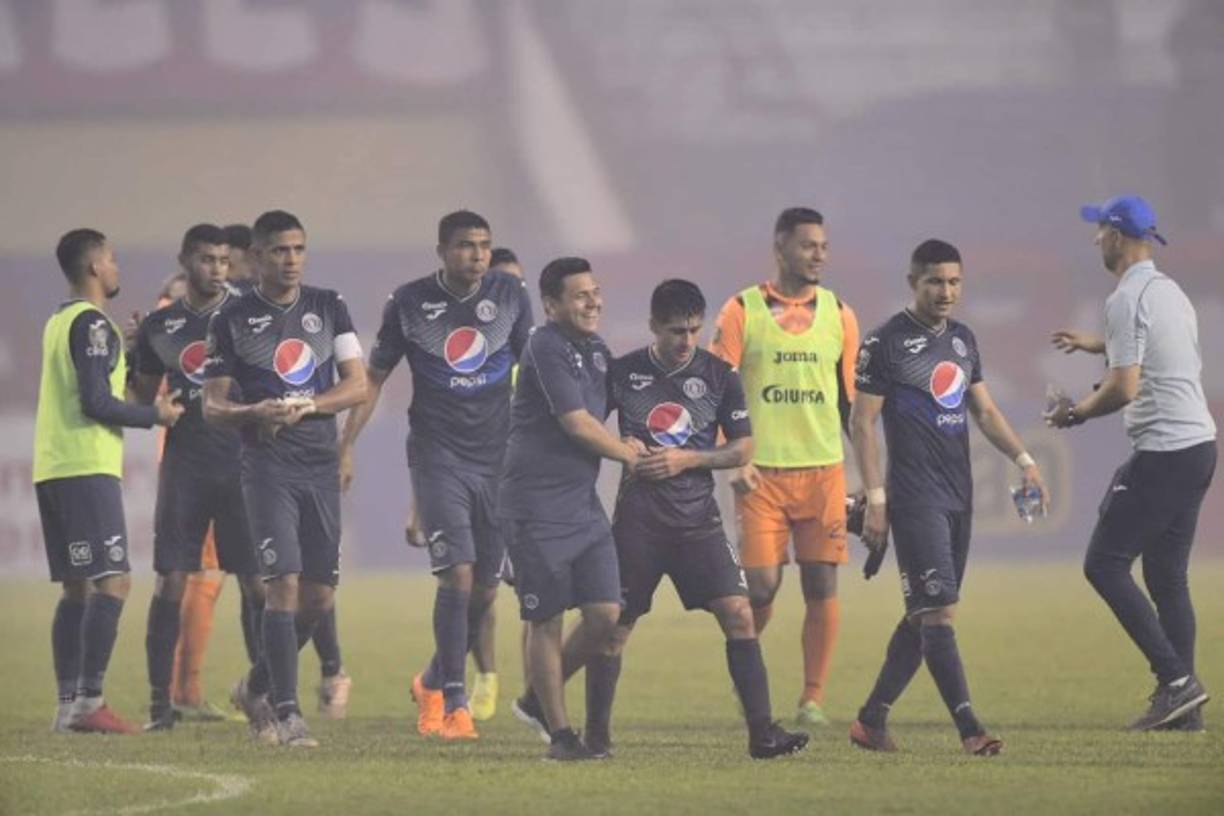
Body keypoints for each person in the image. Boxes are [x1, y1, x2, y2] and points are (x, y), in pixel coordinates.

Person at [593, 278, 809, 759]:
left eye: (694, 329)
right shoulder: (623, 373)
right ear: (654, 326)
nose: (686, 340)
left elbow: (743, 448)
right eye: (676, 331)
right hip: (638, 523)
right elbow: (585, 428)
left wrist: (687, 459)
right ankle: (597, 739)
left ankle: (762, 736)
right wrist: (619, 446)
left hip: (698, 524)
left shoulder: (719, 375)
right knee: (614, 629)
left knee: (739, 614)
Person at [848, 239, 1049, 756]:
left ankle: (871, 721)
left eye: (955, 281)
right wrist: (877, 500)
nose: (946, 291)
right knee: (938, 613)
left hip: (958, 495)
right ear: (912, 282)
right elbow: (862, 422)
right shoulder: (885, 342)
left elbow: (984, 411)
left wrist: (1026, 461)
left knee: (924, 613)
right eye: (935, 281)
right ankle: (970, 730)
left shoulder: (962, 340)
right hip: (915, 497)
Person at [340, 211, 532, 739]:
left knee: (485, 593)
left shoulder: (510, 296)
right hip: (438, 455)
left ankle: (430, 680)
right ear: (442, 251)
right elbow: (374, 378)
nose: (478, 255)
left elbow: (534, 371)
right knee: (458, 574)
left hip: (497, 459)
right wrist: (345, 445)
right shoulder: (410, 302)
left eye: (485, 245)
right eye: (466, 245)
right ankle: (453, 704)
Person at [1048, 195, 1216, 731]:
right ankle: (1183, 711)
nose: (1095, 239)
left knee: (1104, 563)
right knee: (1167, 577)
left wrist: (1075, 413)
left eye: (1100, 230)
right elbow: (1156, 351)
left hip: (1165, 450)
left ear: (1118, 236)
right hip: (1199, 447)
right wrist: (1100, 345)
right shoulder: (1169, 292)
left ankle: (1177, 681)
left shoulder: (1124, 299)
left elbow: (1124, 388)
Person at [204, 210, 368, 748]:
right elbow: (212, 405)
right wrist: (254, 413)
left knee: (318, 599)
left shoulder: (328, 306)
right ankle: (287, 712)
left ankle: (255, 686)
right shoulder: (231, 319)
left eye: (298, 249)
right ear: (256, 257)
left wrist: (309, 405)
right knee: (283, 586)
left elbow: (358, 385)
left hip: (319, 464)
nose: (291, 259)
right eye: (279, 250)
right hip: (267, 467)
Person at [710, 207, 859, 725]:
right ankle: (747, 671)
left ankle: (812, 698)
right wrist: (733, 459)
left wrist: (871, 479)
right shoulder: (741, 310)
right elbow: (717, 389)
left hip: (823, 472)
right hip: (761, 475)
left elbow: (850, 405)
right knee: (760, 586)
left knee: (821, 585)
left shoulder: (840, 313)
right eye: (807, 245)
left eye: (823, 246)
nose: (818, 255)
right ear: (780, 248)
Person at [36, 228, 184, 734]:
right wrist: (155, 416)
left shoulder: (61, 320)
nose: (117, 267)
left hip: (55, 466)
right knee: (114, 580)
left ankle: (68, 705)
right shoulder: (93, 323)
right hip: (85, 466)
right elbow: (97, 402)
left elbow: (99, 383)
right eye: (113, 259)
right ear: (95, 266)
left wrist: (132, 351)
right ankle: (89, 701)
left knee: (77, 588)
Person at [502, 257, 641, 761]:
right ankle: (562, 738)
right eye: (580, 295)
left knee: (606, 614)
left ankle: (536, 698)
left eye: (595, 292)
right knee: (547, 618)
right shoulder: (543, 346)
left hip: (581, 503)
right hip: (534, 504)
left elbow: (616, 408)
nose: (593, 302)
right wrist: (627, 454)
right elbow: (577, 424)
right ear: (551, 305)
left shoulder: (598, 351)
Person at [131, 224, 267, 730]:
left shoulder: (249, 315)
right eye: (207, 259)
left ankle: (263, 696)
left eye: (224, 261)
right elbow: (141, 398)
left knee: (257, 584)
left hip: (239, 464)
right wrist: (134, 367)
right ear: (185, 260)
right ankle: (159, 706)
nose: (217, 269)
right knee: (171, 580)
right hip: (185, 467)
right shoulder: (160, 327)